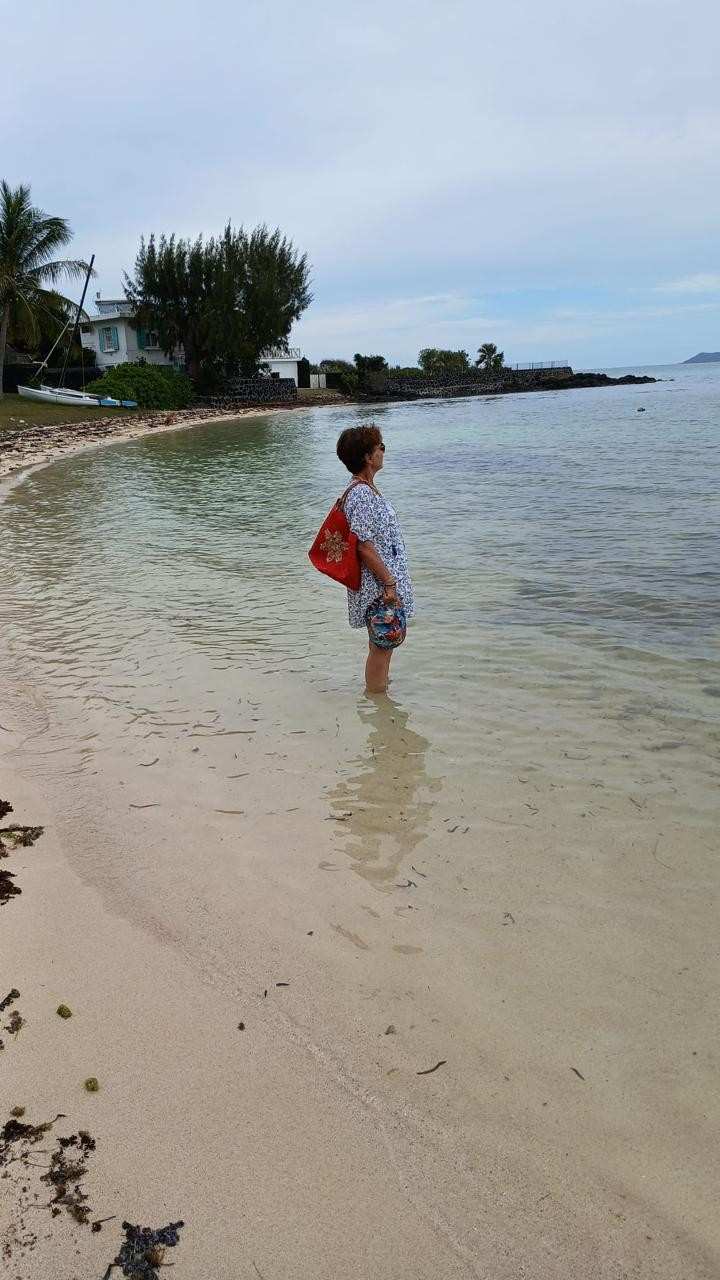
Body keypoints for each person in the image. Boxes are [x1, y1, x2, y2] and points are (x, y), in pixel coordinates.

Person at [336, 423, 415, 693]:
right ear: (368, 457)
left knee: (382, 643)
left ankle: (378, 698)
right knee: (383, 644)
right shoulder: (361, 494)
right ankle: (378, 701)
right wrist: (389, 583)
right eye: (380, 446)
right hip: (378, 587)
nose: (383, 451)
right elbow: (363, 546)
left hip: (379, 585)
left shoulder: (365, 490)